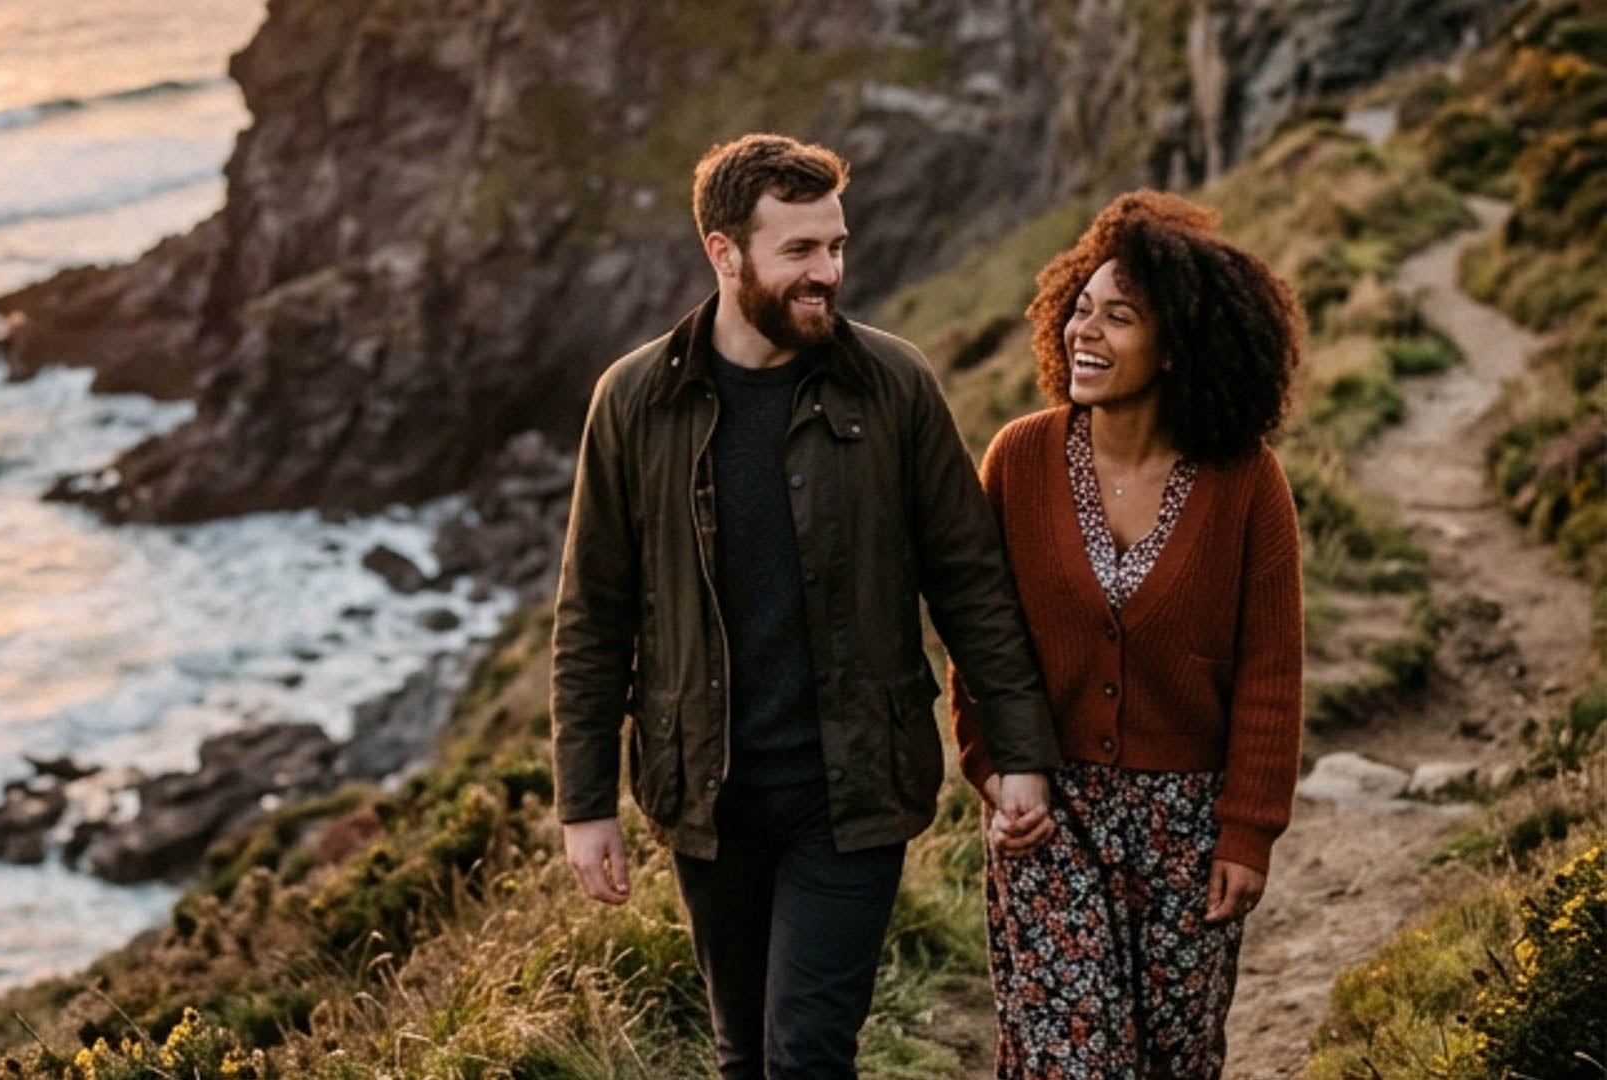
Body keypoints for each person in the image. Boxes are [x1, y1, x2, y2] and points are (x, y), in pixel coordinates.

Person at [550, 132, 1062, 1079]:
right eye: (799, 251)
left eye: (835, 246)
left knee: (807, 1053)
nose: (826, 272)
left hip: (854, 791)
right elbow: (593, 618)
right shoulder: (633, 402)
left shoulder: (894, 384)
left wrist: (1020, 754)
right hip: (706, 795)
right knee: (743, 1052)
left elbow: (972, 585)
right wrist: (585, 804)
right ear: (724, 253)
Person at [951, 189, 1306, 1078]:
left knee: (1176, 1060)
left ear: (1179, 345)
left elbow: (1271, 667)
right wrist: (994, 769)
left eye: (1120, 317)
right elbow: (980, 634)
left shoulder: (1245, 483)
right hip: (1051, 809)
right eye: (1080, 309)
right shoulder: (1020, 459)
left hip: (1189, 824)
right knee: (1069, 1061)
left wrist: (1247, 832)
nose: (1086, 332)